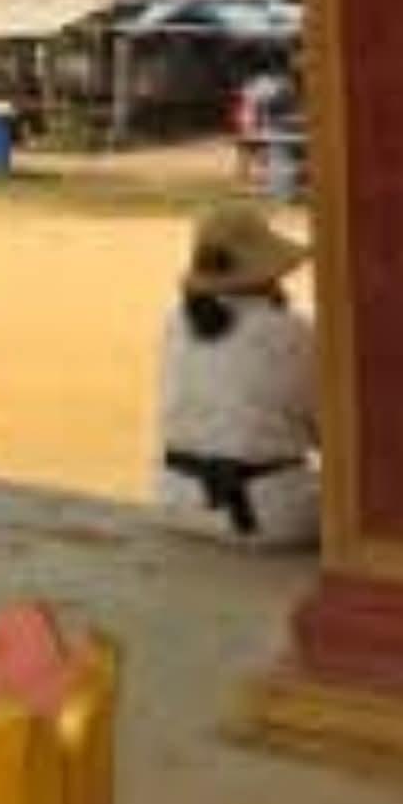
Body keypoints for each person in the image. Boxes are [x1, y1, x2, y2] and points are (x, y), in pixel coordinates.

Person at [153, 200, 320, 549]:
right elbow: (328, 432)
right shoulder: (290, 331)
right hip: (268, 515)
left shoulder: (174, 323)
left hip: (175, 502)